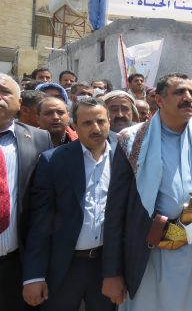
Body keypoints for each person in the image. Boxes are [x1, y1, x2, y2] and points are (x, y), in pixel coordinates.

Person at [101, 73, 192, 310]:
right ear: (159, 100)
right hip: (149, 251)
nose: (188, 98)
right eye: (179, 92)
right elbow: (115, 211)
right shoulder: (131, 140)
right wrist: (112, 272)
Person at [22, 97, 113, 310]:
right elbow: (40, 222)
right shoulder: (54, 160)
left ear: (109, 121)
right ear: (75, 126)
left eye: (101, 121)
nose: (96, 128)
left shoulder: (122, 157)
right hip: (64, 267)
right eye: (87, 123)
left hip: (106, 267)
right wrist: (34, 276)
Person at [0, 73, 53, 310]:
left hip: (16, 266)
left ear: (19, 102)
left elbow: (43, 211)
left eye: (4, 92)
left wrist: (34, 274)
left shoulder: (39, 139)